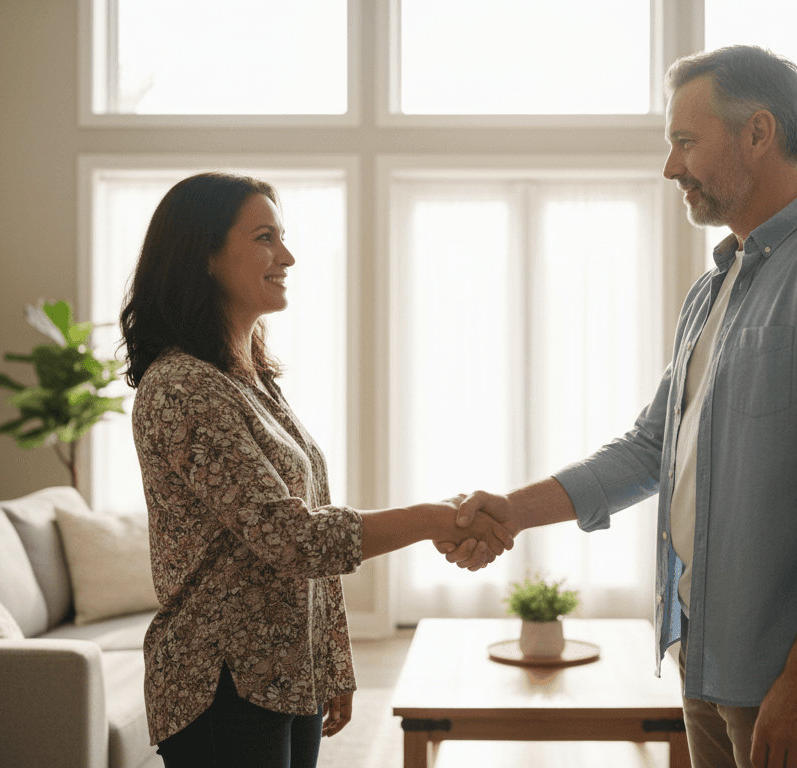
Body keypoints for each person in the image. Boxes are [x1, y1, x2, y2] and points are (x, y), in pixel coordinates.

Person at [447, 46, 797, 768]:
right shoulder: (713, 290)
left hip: (792, 666)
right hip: (707, 649)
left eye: (684, 141)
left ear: (757, 134)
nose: (671, 167)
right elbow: (651, 449)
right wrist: (512, 511)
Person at [120, 171, 513, 768]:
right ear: (202, 255)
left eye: (283, 237)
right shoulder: (181, 387)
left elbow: (313, 520)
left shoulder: (252, 381)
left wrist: (332, 660)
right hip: (220, 682)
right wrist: (435, 518)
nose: (287, 256)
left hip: (285, 677)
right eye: (264, 238)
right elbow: (293, 538)